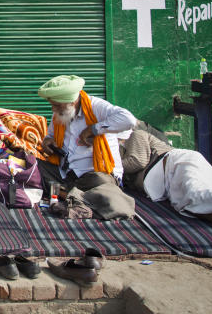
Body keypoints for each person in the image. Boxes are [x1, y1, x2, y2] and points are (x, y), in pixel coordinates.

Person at [37, 75, 137, 219]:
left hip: (96, 174)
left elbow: (129, 120)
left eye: (57, 105)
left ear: (72, 101)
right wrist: (47, 141)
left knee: (102, 187)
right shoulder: (60, 114)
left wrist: (94, 129)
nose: (53, 109)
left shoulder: (97, 107)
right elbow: (51, 134)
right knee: (33, 165)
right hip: (67, 173)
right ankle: (75, 196)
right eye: (52, 104)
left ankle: (73, 199)